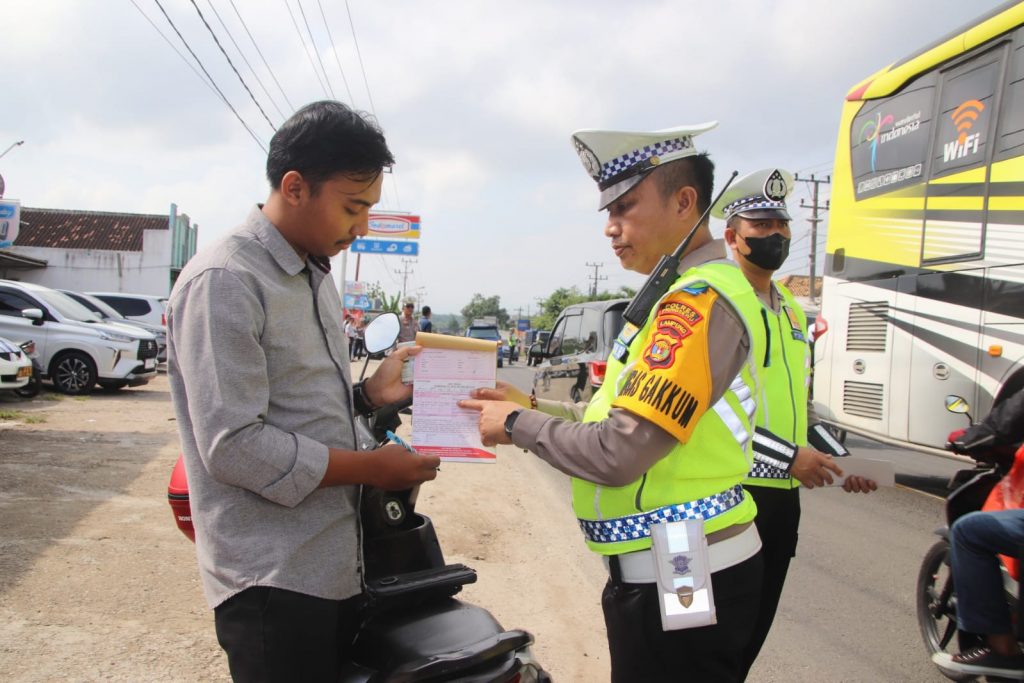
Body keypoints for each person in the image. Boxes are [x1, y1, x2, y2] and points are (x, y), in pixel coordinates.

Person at [461, 123, 769, 682]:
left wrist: (516, 424)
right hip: (679, 557)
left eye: (626, 207)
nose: (610, 227)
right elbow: (615, 416)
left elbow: (619, 452)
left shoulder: (696, 303)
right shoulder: (677, 294)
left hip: (685, 564)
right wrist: (529, 403)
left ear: (684, 203)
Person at [166, 100, 441, 682]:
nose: (362, 226)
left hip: (335, 563)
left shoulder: (313, 274)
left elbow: (296, 409)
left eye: (368, 209)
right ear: (294, 187)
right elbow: (234, 444)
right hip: (274, 579)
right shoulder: (227, 281)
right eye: (352, 207)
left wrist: (368, 398)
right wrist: (371, 469)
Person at [710, 168, 877, 678]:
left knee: (751, 635)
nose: (777, 236)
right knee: (709, 639)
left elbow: (796, 413)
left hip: (780, 501)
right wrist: (789, 457)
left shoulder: (791, 313)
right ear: (733, 237)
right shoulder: (715, 304)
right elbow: (712, 412)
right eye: (761, 225)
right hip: (726, 498)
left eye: (782, 224)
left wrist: (844, 463)